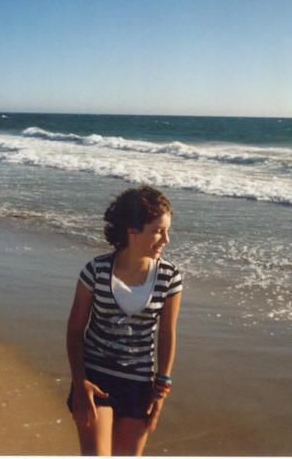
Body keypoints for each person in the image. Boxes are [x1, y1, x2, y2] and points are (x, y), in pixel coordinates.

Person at [66, 186, 182, 456]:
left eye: (167, 231)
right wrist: (80, 382)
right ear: (132, 230)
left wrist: (161, 390)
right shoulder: (96, 270)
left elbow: (167, 334)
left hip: (139, 384)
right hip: (94, 380)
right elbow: (74, 330)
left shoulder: (169, 277)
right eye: (157, 230)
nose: (166, 239)